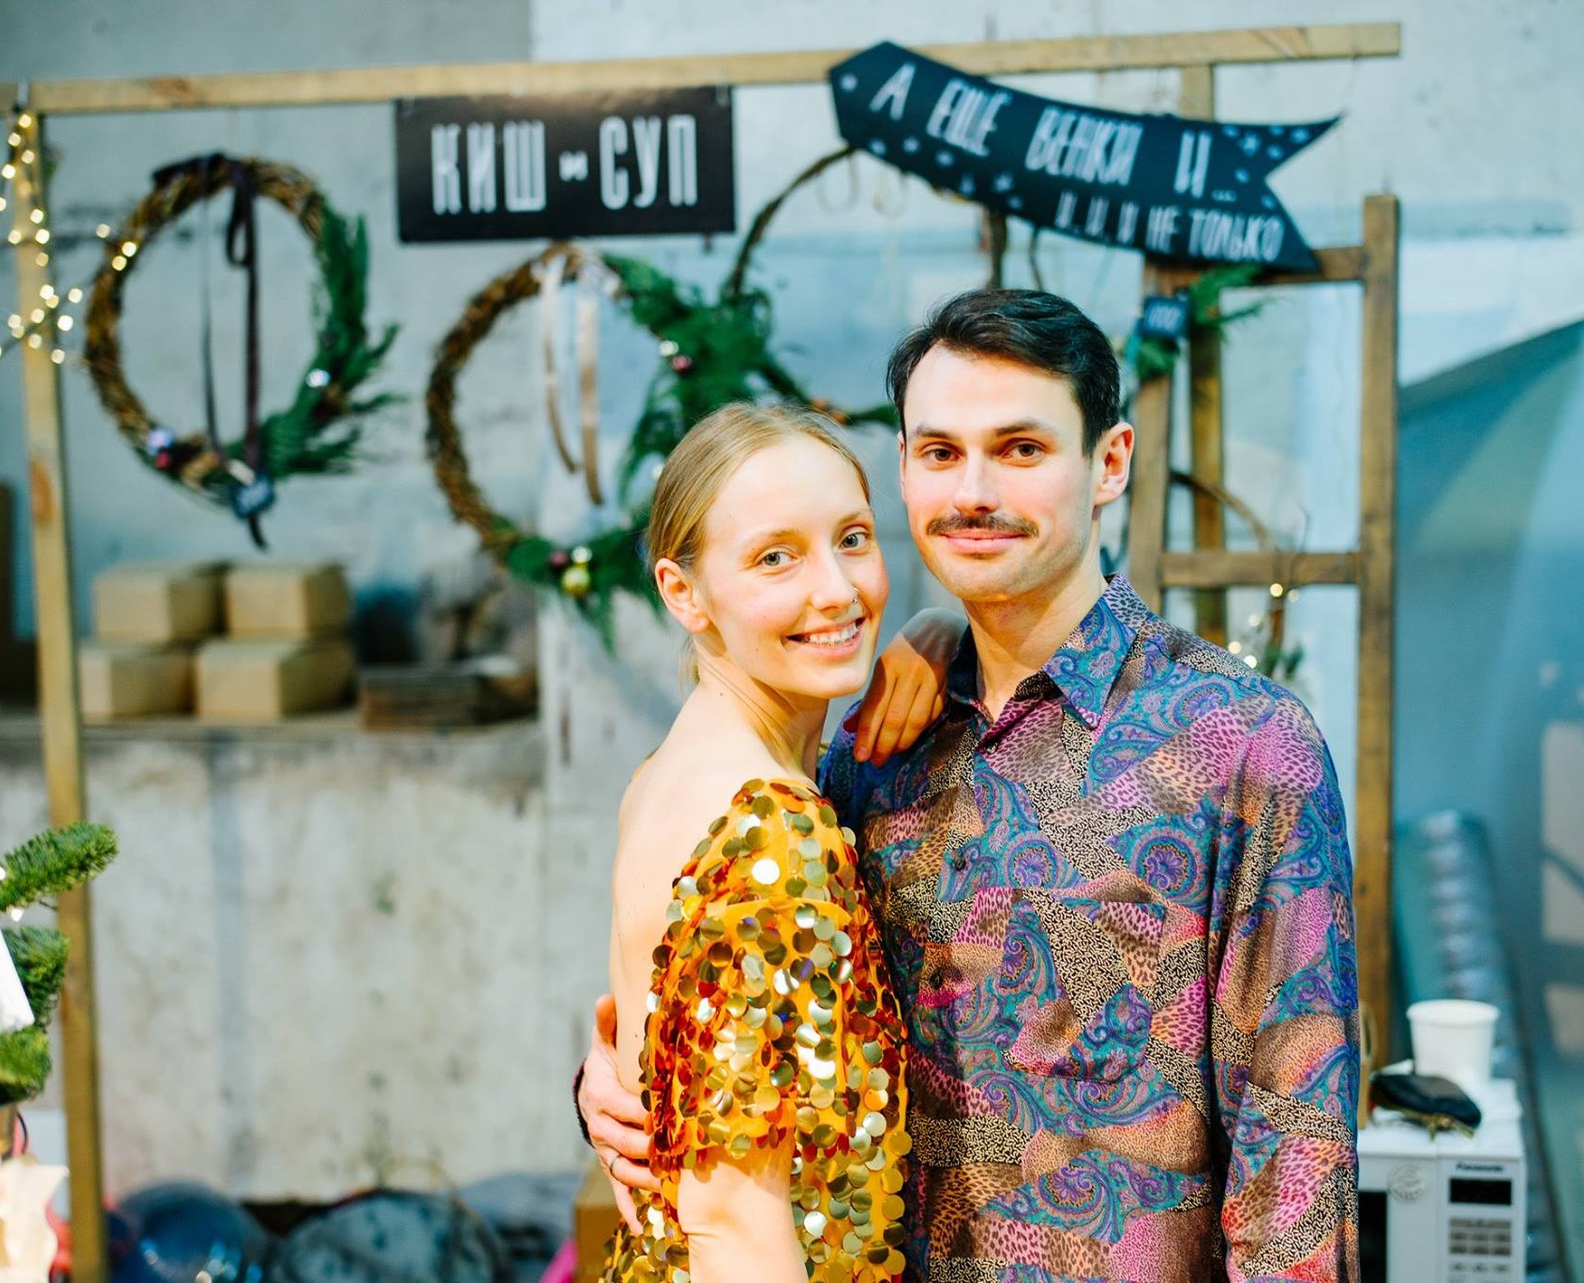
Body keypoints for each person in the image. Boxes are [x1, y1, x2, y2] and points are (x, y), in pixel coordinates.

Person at [583, 290, 1362, 1281]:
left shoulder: (1242, 744)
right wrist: (615, 1081)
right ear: (905, 468)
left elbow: (1297, 1157)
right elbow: (772, 1027)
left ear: (1110, 462)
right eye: (941, 452)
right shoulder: (874, 746)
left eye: (1021, 449)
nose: (974, 491)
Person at [600, 401, 958, 1282]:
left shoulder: (673, 768)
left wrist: (947, 631)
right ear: (683, 592)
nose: (835, 589)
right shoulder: (770, 827)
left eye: (852, 539)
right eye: (775, 557)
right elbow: (734, 1226)